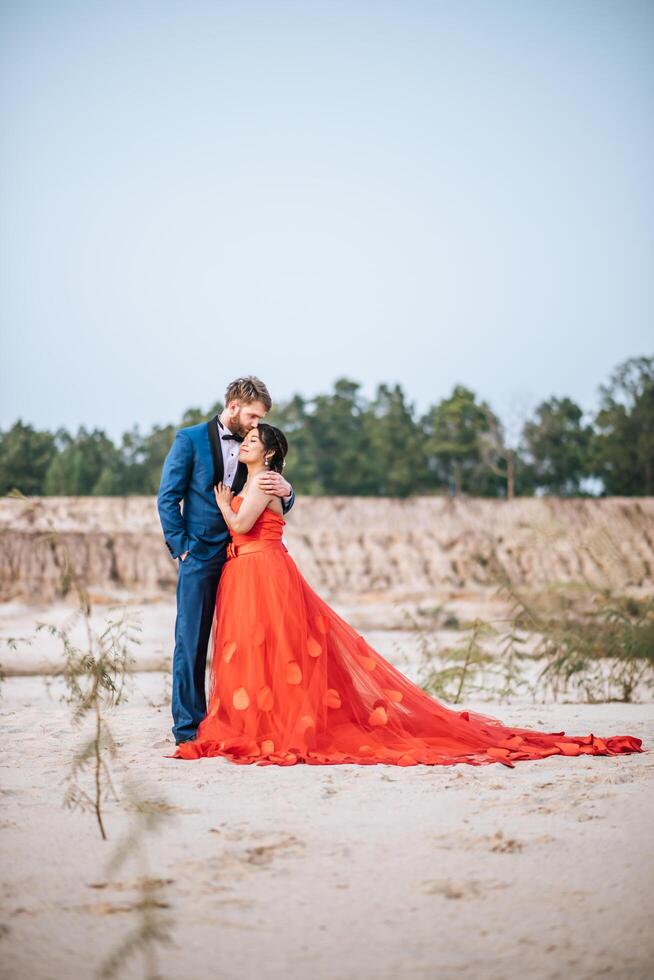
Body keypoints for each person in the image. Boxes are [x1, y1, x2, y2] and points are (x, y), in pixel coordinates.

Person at [170, 423, 643, 768]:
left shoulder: (265, 480)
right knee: (259, 649)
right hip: (249, 570)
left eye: (255, 439)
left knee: (274, 646)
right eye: (247, 436)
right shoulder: (257, 479)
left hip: (262, 570)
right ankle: (260, 723)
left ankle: (269, 727)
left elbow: (242, 523)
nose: (248, 440)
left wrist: (218, 505)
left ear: (270, 455)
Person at [157, 376, 295, 745]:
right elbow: (167, 498)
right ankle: (188, 729)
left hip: (246, 561)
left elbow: (268, 489)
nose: (255, 425)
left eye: (260, 419)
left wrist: (289, 490)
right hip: (200, 556)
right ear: (233, 407)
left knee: (246, 644)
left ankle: (246, 722)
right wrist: (182, 548)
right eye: (252, 416)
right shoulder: (189, 440)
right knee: (191, 641)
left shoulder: (255, 448)